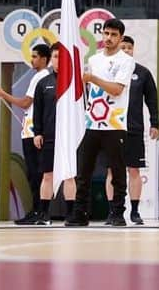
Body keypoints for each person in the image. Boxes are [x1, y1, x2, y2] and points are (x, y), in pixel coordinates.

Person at [66, 18, 135, 228]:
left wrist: (92, 79)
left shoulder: (126, 60)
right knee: (83, 170)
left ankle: (117, 212)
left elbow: (116, 90)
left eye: (114, 35)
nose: (109, 38)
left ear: (121, 37)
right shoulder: (94, 59)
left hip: (114, 124)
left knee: (117, 171)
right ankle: (80, 213)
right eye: (106, 33)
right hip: (92, 123)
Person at [0, 43, 51, 224]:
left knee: (36, 174)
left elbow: (26, 103)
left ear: (43, 58)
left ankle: (39, 212)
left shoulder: (41, 76)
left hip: (34, 131)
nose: (32, 60)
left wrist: (3, 94)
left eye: (35, 56)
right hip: (29, 130)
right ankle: (36, 211)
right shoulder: (39, 76)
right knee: (33, 173)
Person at [105, 35, 159, 225]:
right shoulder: (109, 72)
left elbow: (152, 99)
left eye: (129, 47)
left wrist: (155, 122)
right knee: (112, 171)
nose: (127, 50)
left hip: (134, 128)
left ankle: (135, 211)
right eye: (123, 47)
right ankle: (113, 212)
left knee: (134, 169)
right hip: (112, 127)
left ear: (133, 50)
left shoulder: (142, 73)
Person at [28, 45, 76, 225]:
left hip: (69, 138)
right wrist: (37, 133)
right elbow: (37, 111)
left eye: (62, 57)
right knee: (47, 175)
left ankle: (71, 214)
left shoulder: (74, 82)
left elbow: (82, 109)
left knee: (69, 176)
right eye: (55, 56)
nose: (58, 60)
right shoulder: (43, 83)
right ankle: (43, 214)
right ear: (51, 59)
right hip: (48, 136)